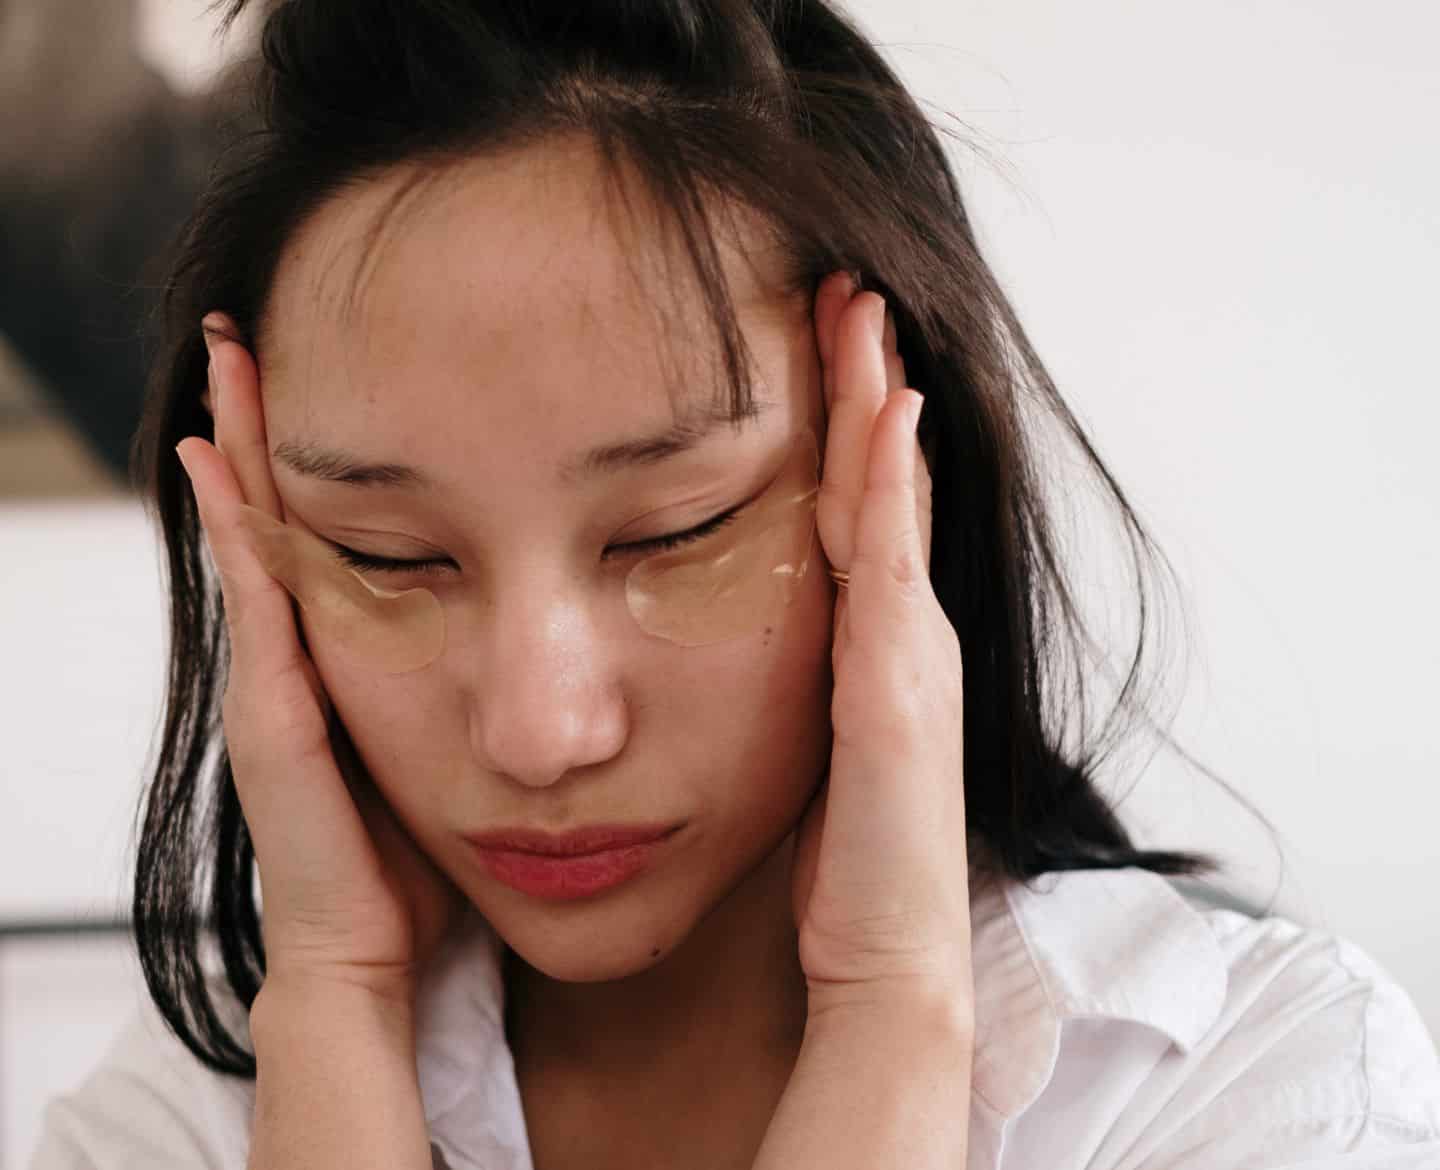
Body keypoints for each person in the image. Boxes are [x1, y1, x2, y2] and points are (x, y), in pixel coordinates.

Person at [30, 2, 1440, 1167]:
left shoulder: (1267, 1089)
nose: (539, 729)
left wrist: (892, 1014)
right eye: (389, 558)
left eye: (674, 532)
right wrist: (333, 999)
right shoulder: (196, 1113)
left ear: (901, 484)